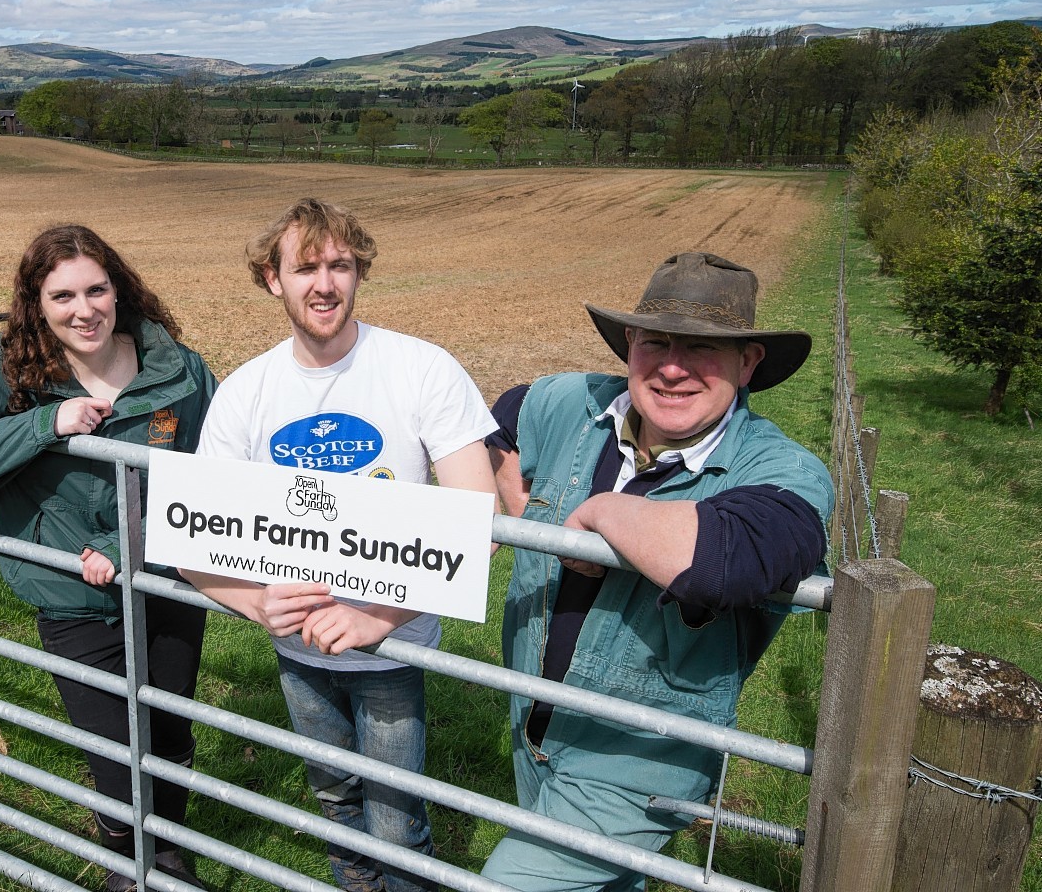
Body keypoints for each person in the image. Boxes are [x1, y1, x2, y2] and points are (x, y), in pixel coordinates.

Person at [481, 252, 834, 891]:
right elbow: (503, 417)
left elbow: (735, 560)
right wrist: (517, 507)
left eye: (702, 347)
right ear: (629, 347)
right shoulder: (576, 404)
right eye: (656, 343)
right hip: (532, 722)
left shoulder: (783, 472)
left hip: (642, 761)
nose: (672, 368)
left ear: (749, 362)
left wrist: (603, 514)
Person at [181, 198, 498, 892]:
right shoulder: (245, 394)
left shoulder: (422, 369)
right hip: (296, 654)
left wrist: (376, 617)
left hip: (392, 649)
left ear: (359, 273)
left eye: (341, 265)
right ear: (273, 279)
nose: (325, 283)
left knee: (393, 821)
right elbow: (193, 545)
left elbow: (478, 518)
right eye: (306, 267)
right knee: (334, 806)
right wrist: (259, 606)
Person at [0, 225, 216, 892]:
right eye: (63, 295)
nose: (85, 309)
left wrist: (129, 546)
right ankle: (124, 864)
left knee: (168, 734)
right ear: (34, 302)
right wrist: (44, 424)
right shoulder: (7, 367)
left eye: (97, 289)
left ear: (119, 288)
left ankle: (167, 858)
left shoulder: (178, 371)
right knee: (114, 752)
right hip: (71, 590)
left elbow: (210, 477)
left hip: (167, 581)